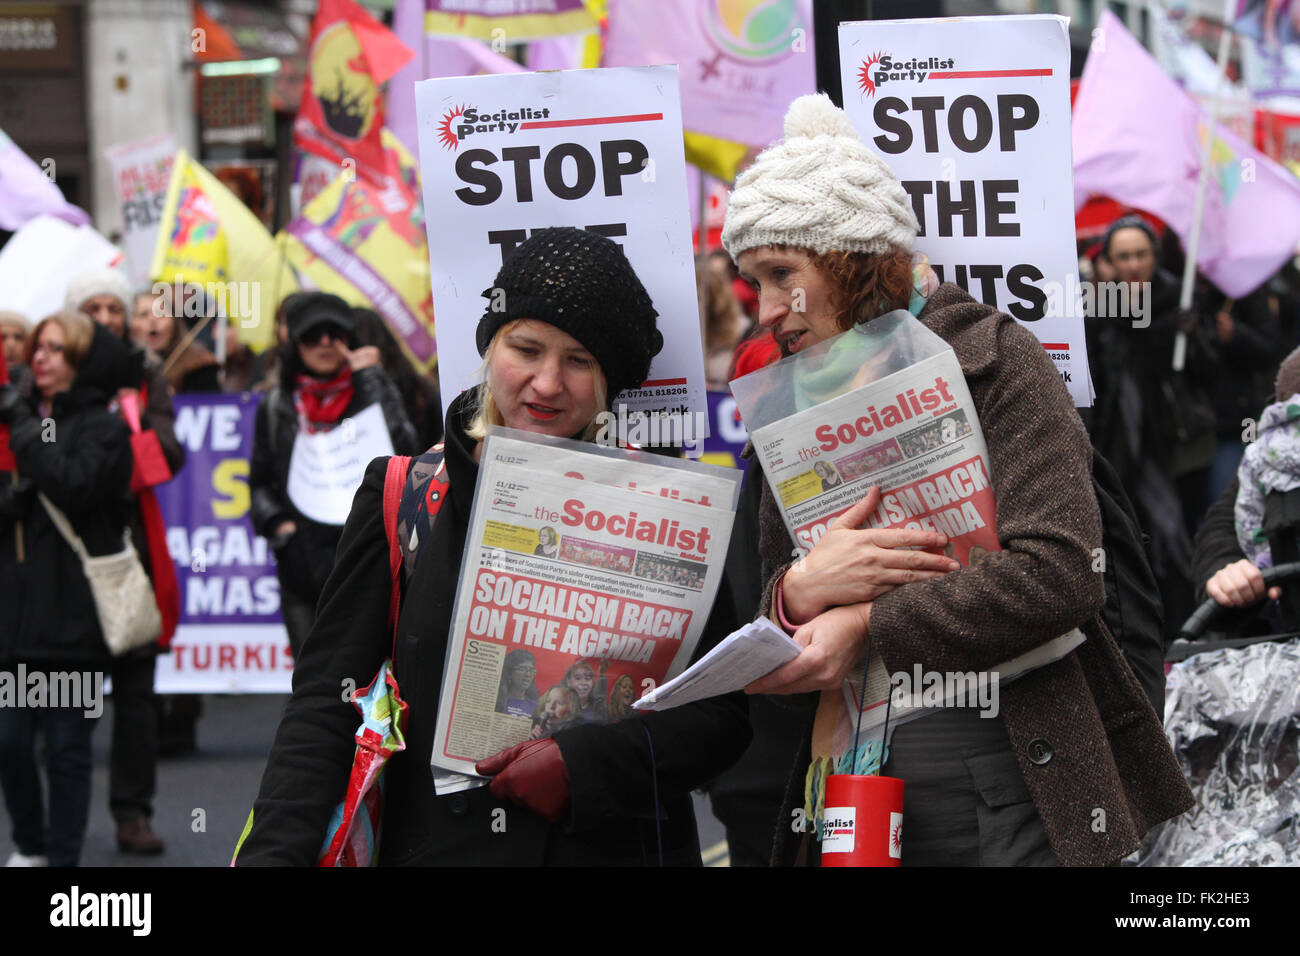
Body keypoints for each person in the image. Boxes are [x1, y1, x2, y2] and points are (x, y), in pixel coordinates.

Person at [722, 94, 1192, 867]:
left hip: (1008, 757)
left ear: (852, 257)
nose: (767, 309)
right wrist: (800, 594)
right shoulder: (788, 395)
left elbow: (1062, 573)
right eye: (754, 280)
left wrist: (870, 622)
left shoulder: (994, 355)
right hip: (850, 768)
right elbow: (774, 584)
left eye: (782, 274)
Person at [235, 227, 750, 866]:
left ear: (610, 381)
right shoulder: (402, 495)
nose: (546, 383)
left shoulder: (667, 507)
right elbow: (325, 703)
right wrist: (272, 855)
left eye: (579, 361)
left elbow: (721, 716)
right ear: (489, 347)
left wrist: (585, 765)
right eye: (526, 349)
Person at [0, 312, 135, 866]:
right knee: (9, 744)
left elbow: (75, 484)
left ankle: (59, 863)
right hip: (17, 623)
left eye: (56, 349)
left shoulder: (104, 428)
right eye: (38, 348)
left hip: (74, 624)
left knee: (67, 752)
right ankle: (30, 842)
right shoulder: (32, 423)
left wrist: (27, 433)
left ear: (81, 361)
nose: (40, 358)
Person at [67, 269, 184, 853]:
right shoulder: (51, 387)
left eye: (116, 308)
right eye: (95, 308)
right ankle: (59, 820)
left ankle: (133, 813)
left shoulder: (144, 379)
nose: (109, 318)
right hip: (69, 560)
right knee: (69, 693)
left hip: (132, 554)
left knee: (138, 692)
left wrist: (126, 427)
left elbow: (166, 457)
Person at [249, 292, 418, 659]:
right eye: (312, 335)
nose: (325, 343)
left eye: (334, 333)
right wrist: (280, 528)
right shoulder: (278, 405)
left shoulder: (370, 388)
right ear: (295, 344)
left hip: (367, 556)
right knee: (312, 680)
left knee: (371, 676)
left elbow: (404, 450)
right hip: (303, 567)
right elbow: (260, 481)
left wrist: (370, 378)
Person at [127, 287, 220, 394]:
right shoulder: (124, 368)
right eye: (143, 315)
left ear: (175, 323)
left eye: (161, 314)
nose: (152, 320)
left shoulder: (201, 368)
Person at [495, 650, 540, 718]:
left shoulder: (534, 707)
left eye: (531, 670)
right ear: (510, 673)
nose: (528, 674)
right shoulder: (497, 700)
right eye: (522, 669)